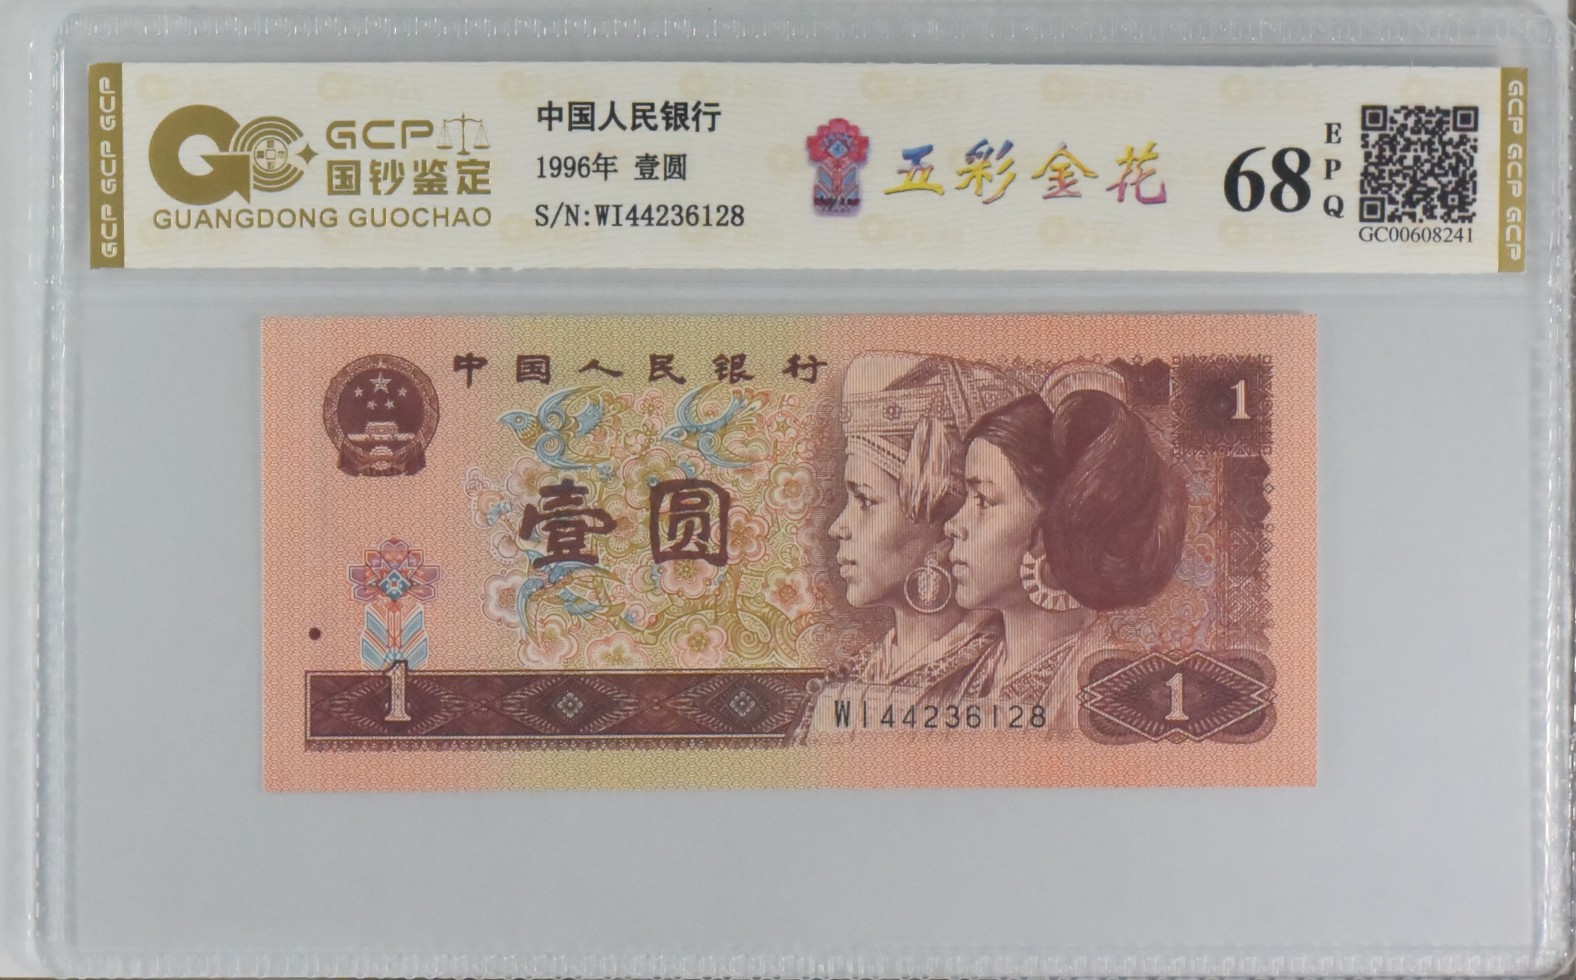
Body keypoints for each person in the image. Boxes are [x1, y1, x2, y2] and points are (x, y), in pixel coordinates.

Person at [942, 361, 1187, 730]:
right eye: (966, 498)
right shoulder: (959, 680)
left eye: (984, 501)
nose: (952, 525)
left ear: (1053, 529)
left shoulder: (1112, 695)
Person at [827, 352, 1025, 695]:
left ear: (945, 525)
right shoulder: (856, 675)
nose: (837, 528)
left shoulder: (1003, 680)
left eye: (865, 501)